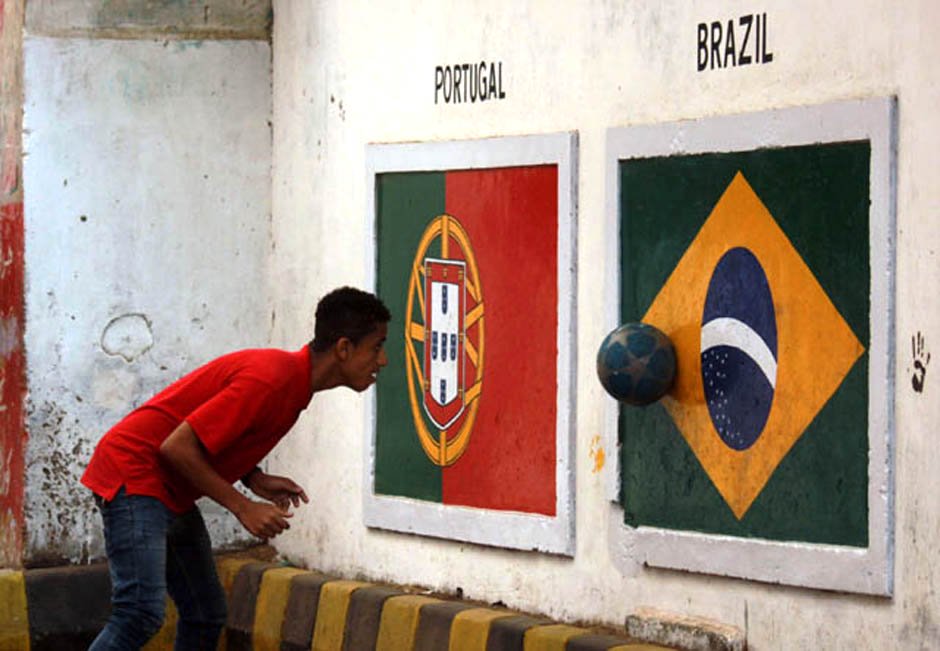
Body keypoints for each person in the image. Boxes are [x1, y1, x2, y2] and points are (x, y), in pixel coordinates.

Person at [81, 286, 390, 650]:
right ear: (343, 348)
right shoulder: (272, 378)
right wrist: (243, 506)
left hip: (169, 487)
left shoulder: (293, 384)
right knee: (139, 613)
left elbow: (215, 431)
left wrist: (254, 477)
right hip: (134, 474)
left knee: (205, 613)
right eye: (376, 346)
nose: (382, 360)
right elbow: (176, 447)